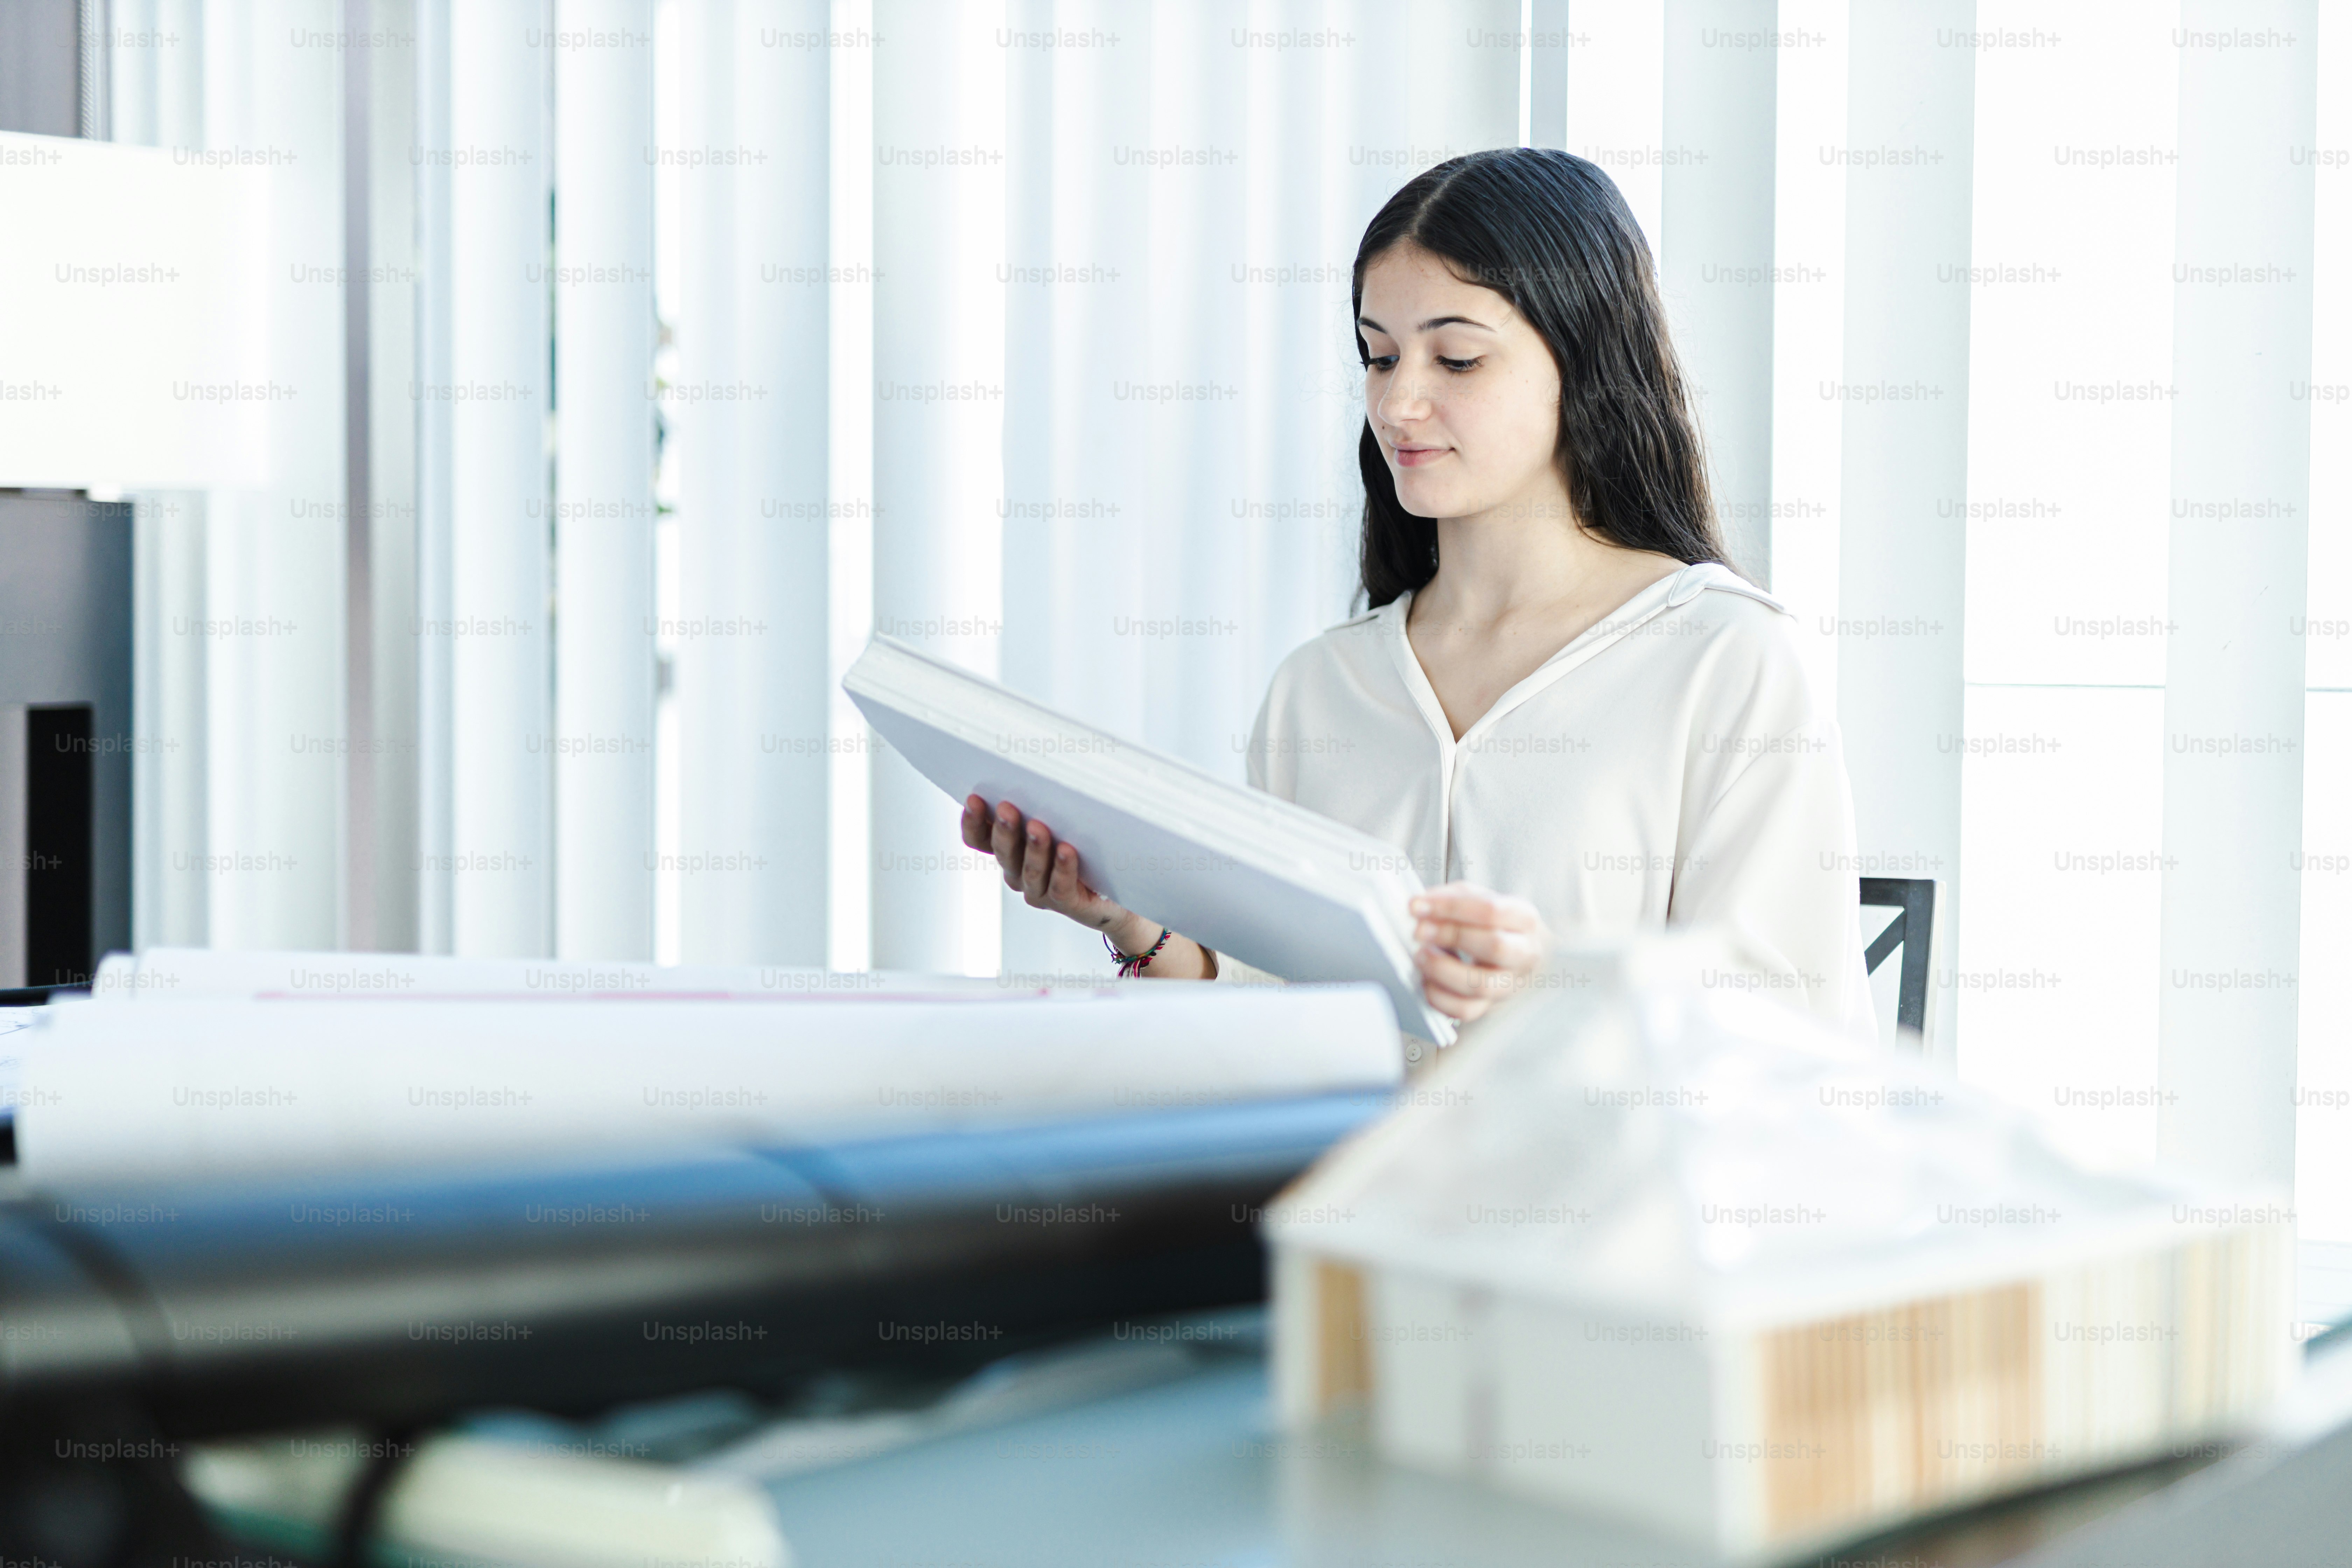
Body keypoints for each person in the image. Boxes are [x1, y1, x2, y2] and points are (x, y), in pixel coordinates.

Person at [959, 147, 1875, 1040]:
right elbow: (1276, 1015)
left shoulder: (1727, 659)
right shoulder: (1322, 687)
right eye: (1380, 356)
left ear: (1585, 362)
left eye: (1458, 361)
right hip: (1346, 1192)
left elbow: (1798, 1034)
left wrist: (1555, 983)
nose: (1399, 404)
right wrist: (1135, 919)